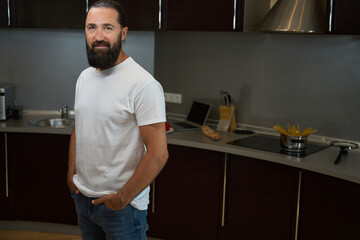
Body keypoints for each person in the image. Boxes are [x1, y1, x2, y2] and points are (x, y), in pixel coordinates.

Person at [67, 1, 168, 239]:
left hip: (122, 209)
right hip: (83, 199)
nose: (98, 36)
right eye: (91, 27)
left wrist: (122, 198)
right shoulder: (84, 77)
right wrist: (72, 175)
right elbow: (78, 129)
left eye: (107, 28)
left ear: (123, 33)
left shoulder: (143, 84)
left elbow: (158, 153)